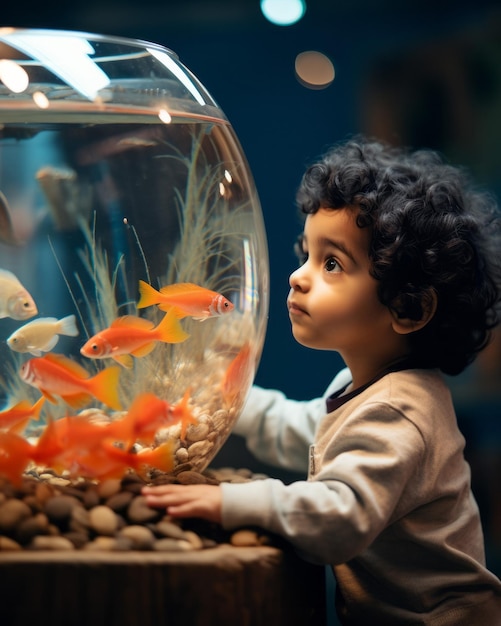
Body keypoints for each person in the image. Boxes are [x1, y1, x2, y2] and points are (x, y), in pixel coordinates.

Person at [143, 137, 501, 625]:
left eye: (331, 263)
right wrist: (228, 403)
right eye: (305, 253)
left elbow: (341, 515)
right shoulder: (369, 386)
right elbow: (304, 431)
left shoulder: (401, 409)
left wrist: (231, 501)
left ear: (410, 306)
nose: (297, 277)